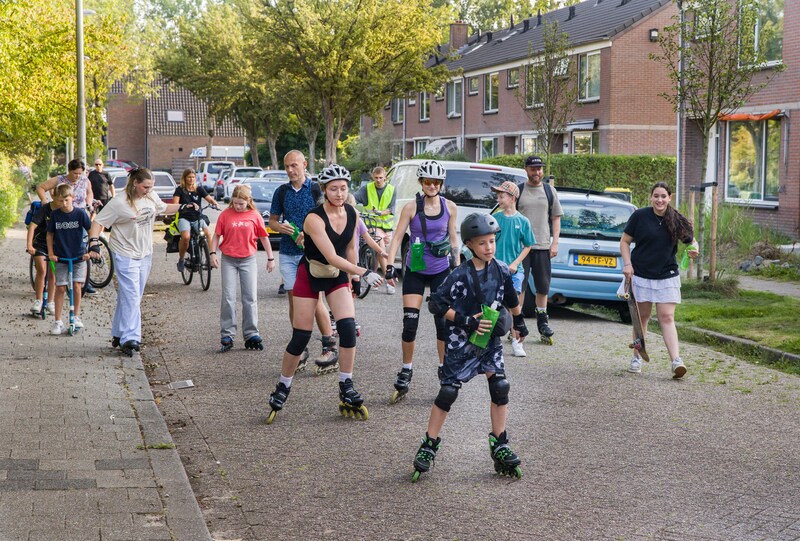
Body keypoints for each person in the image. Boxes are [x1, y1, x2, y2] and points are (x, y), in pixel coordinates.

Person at [410, 213, 529, 482]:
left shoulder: (501, 269)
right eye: (482, 243)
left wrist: (519, 322)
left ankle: (500, 443)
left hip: (489, 341)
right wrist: (467, 321)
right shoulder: (459, 275)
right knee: (448, 392)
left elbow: (511, 297)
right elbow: (436, 304)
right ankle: (429, 444)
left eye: (492, 241)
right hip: (460, 341)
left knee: (500, 386)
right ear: (469, 245)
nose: (489, 247)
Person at [266, 164, 383, 424]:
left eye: (343, 188)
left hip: (337, 273)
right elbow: (330, 255)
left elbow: (350, 248)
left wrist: (354, 280)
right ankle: (283, 385)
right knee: (301, 336)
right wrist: (364, 272)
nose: (339, 194)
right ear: (324, 190)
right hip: (311, 272)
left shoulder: (352, 212)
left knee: (348, 328)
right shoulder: (314, 218)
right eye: (333, 189)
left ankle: (346, 384)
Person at [384, 160, 460, 404]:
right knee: (410, 323)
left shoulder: (450, 207)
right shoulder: (410, 207)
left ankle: (445, 371)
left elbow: (453, 239)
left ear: (441, 184)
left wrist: (457, 268)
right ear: (421, 182)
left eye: (436, 182)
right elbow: (397, 237)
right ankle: (406, 370)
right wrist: (389, 264)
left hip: (441, 270)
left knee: (442, 324)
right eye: (428, 181)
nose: (432, 186)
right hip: (415, 270)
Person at [88, 168, 185, 356]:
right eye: (145, 187)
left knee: (132, 296)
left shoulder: (150, 196)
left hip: (145, 252)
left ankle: (118, 332)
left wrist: (184, 207)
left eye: (151, 187)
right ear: (135, 183)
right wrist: (93, 243)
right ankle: (130, 338)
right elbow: (98, 222)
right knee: (131, 295)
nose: (148, 190)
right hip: (125, 253)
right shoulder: (119, 202)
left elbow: (164, 208)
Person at [620, 182, 699, 378]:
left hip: (667, 275)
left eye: (663, 196)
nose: (659, 200)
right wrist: (627, 264)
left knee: (667, 317)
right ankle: (637, 358)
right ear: (651, 197)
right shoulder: (640, 216)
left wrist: (694, 250)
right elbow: (625, 241)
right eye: (656, 196)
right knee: (642, 318)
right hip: (641, 274)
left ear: (669, 198)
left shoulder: (676, 219)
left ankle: (676, 361)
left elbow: (692, 241)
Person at [268, 150, 337, 372]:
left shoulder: (316, 189)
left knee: (315, 299)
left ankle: (329, 346)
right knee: (293, 299)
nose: (290, 170)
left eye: (294, 165)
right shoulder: (281, 192)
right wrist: (280, 227)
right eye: (287, 166)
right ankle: (300, 348)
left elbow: (328, 218)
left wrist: (308, 234)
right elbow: (272, 221)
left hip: (311, 253)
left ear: (304, 164)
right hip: (288, 253)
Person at [210, 184, 275, 352]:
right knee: (228, 297)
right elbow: (216, 235)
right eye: (235, 203)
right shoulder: (225, 215)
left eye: (241, 203)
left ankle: (251, 333)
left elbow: (264, 237)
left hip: (248, 259)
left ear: (248, 201)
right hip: (229, 260)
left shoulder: (255, 215)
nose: (238, 207)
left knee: (250, 297)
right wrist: (212, 253)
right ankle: (227, 334)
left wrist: (270, 258)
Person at [516, 155, 563, 345]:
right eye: (533, 169)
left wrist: (555, 243)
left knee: (543, 287)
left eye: (540, 169)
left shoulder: (549, 191)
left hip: (543, 245)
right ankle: (516, 324)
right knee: (519, 286)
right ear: (526, 170)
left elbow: (556, 218)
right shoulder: (519, 190)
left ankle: (543, 324)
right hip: (521, 248)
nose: (537, 172)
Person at [37, 159, 96, 293]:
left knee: (84, 244)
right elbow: (41, 187)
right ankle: (60, 278)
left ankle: (83, 280)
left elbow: (89, 192)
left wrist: (89, 204)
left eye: (80, 173)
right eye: (75, 173)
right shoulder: (60, 180)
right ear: (69, 171)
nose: (78, 176)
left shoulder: (85, 180)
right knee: (62, 244)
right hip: (62, 215)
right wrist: (45, 201)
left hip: (79, 215)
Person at [490, 181, 535, 357]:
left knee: (513, 306)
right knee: (491, 305)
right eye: (498, 196)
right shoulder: (495, 219)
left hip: (515, 272)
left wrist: (515, 263)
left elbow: (528, 245)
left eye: (502, 196)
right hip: (495, 269)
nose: (498, 199)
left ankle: (517, 342)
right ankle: (489, 341)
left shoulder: (523, 221)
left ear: (513, 198)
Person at [45, 184, 96, 334]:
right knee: (60, 287)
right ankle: (58, 321)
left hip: (78, 255)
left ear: (72, 198)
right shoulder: (55, 215)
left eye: (66, 200)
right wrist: (51, 253)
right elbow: (50, 235)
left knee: (77, 286)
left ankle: (76, 316)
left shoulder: (80, 214)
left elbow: (90, 230)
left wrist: (90, 250)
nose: (64, 204)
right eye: (60, 201)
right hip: (61, 256)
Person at [353, 166, 397, 294]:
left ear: (385, 178)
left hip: (386, 227)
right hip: (371, 225)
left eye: (381, 178)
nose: (378, 180)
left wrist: (380, 212)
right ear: (373, 177)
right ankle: (388, 279)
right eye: (376, 178)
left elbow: (391, 209)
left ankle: (374, 279)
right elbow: (353, 199)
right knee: (381, 248)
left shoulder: (391, 189)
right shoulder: (366, 189)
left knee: (377, 254)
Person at [172, 168, 219, 273]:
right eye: (189, 177)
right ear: (184, 178)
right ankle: (181, 259)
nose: (191, 179)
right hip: (184, 218)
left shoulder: (199, 189)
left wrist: (215, 203)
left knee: (207, 233)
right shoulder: (179, 190)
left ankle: (210, 258)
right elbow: (175, 204)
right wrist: (184, 206)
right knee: (186, 237)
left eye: (193, 177)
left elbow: (209, 198)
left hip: (197, 217)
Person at [26, 199, 60, 316]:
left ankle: (50, 302)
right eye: (60, 199)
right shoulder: (44, 209)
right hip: (40, 244)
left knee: (53, 273)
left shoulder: (64, 211)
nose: (62, 203)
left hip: (55, 246)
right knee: (41, 270)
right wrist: (29, 245)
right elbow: (32, 226)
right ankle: (38, 300)